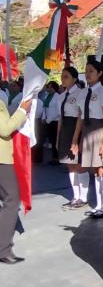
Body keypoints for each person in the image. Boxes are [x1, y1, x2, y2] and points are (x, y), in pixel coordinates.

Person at [73, 60, 103, 218]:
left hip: (100, 131)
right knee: (94, 170)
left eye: (91, 71)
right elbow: (80, 118)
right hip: (87, 131)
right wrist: (76, 140)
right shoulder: (83, 93)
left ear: (99, 73)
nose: (88, 74)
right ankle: (98, 204)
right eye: (86, 71)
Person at [0, 97, 32, 264]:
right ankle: (3, 249)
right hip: (2, 158)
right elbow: (4, 129)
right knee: (11, 200)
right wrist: (22, 111)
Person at [57, 67, 89, 209]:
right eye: (62, 76)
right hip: (65, 129)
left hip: (76, 128)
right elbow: (60, 119)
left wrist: (75, 139)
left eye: (66, 76)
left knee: (79, 165)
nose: (63, 79)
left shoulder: (81, 93)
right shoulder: (61, 96)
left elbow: (80, 117)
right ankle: (75, 195)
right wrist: (58, 137)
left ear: (74, 79)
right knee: (70, 165)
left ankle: (83, 196)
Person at [41, 81, 60, 164]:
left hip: (55, 121)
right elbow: (44, 107)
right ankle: (53, 157)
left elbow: (58, 111)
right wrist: (44, 118)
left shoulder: (57, 97)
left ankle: (56, 158)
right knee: (51, 140)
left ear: (53, 88)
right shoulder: (47, 96)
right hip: (48, 121)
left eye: (49, 87)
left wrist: (48, 120)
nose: (48, 88)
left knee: (55, 139)